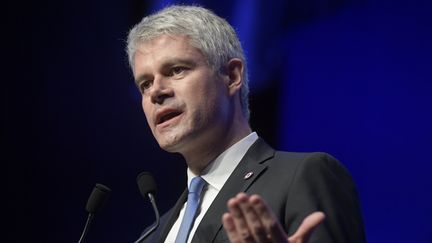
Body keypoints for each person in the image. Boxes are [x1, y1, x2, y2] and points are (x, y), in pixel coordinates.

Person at [126, 5, 365, 243]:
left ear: (232, 76)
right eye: (145, 84)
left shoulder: (303, 175)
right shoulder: (151, 236)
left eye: (177, 70)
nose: (156, 91)